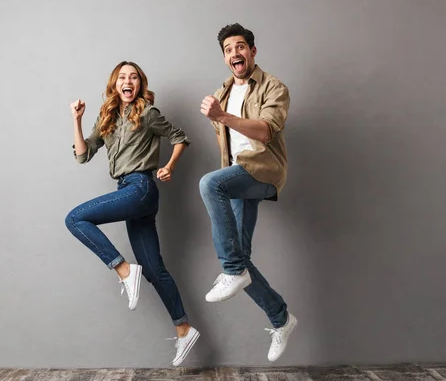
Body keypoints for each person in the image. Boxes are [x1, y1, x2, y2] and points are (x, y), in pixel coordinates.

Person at [65, 61, 199, 366]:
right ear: (115, 84)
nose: (129, 81)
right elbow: (83, 155)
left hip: (141, 187)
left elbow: (180, 137)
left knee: (75, 218)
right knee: (154, 270)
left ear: (140, 84)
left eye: (134, 77)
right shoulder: (107, 117)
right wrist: (77, 120)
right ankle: (184, 329)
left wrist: (169, 166)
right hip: (127, 191)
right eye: (123, 77)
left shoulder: (148, 113)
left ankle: (124, 270)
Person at [199, 24, 297, 362]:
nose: (234, 54)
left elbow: (267, 131)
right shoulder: (222, 93)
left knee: (209, 183)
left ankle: (231, 269)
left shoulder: (274, 87)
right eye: (228, 49)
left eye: (240, 47)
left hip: (264, 170)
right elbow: (227, 146)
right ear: (225, 58)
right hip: (238, 176)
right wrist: (220, 113)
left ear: (252, 52)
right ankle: (281, 318)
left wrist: (223, 116)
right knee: (242, 260)